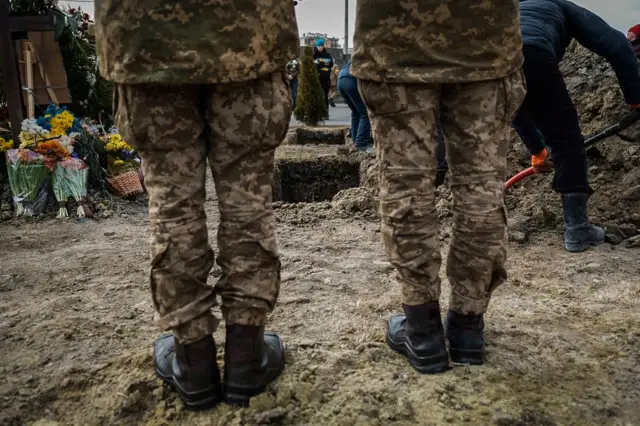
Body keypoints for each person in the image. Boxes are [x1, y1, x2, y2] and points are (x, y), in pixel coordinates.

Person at [95, 0, 298, 409]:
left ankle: (194, 362)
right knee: (248, 202)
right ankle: (246, 358)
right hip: (247, 33)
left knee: (173, 205)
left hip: (146, 37)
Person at [352, 0, 526, 372]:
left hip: (394, 41)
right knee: (480, 189)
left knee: (406, 186)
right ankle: (467, 328)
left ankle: (424, 332)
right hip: (485, 42)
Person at [513, 0, 640, 253]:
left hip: (488, 64)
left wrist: (537, 150)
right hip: (533, 52)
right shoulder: (561, 6)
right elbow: (617, 45)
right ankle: (578, 229)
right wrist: (636, 98)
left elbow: (514, 106)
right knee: (567, 142)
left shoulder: (511, 11)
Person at [337, 61, 373, 153]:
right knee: (365, 113)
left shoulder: (362, 52)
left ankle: (355, 141)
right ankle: (360, 144)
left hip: (341, 80)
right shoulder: (373, 57)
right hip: (351, 79)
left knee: (356, 112)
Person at [313, 39, 334, 111]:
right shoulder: (314, 55)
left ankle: (325, 111)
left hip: (326, 77)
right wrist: (324, 63)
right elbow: (314, 65)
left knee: (325, 95)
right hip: (317, 77)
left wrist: (320, 63)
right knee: (316, 95)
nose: (320, 47)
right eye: (319, 46)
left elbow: (330, 64)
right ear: (317, 46)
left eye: (321, 46)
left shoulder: (327, 54)